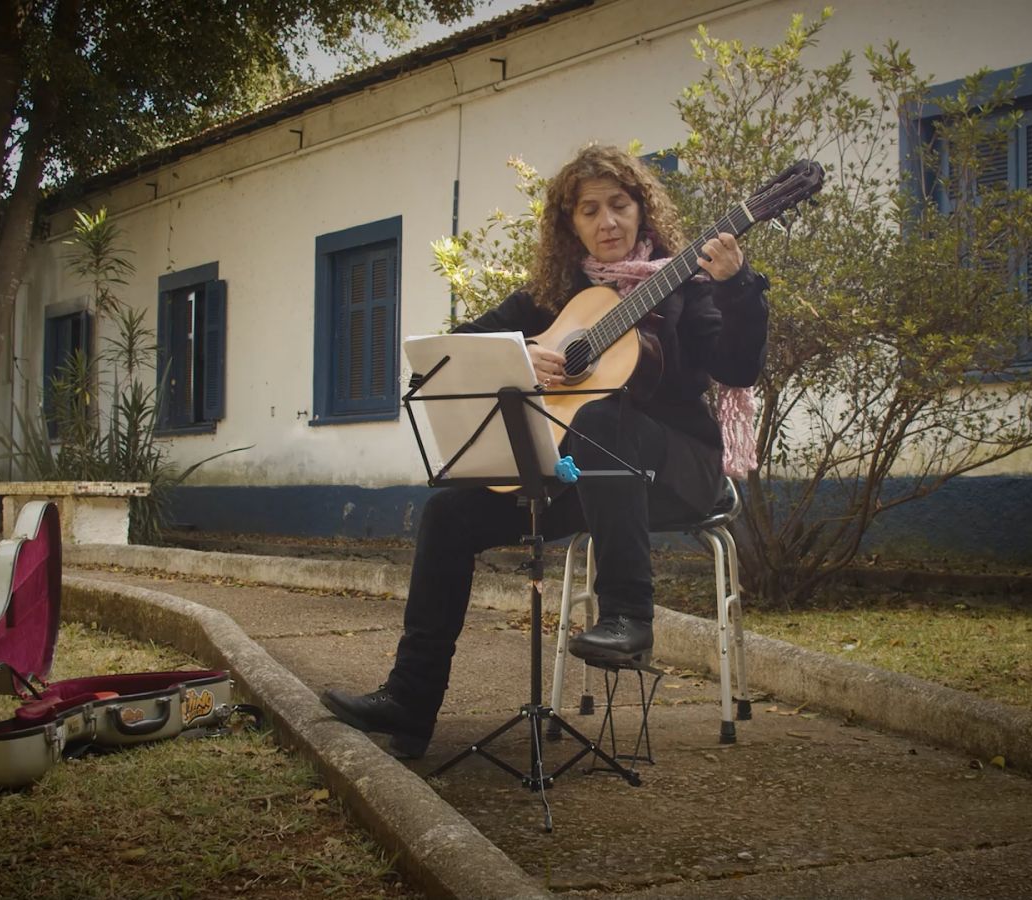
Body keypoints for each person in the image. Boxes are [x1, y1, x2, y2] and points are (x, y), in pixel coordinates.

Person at [321, 144, 769, 758]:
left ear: (642, 210)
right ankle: (410, 700)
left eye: (619, 205)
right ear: (570, 224)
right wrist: (519, 352)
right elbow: (451, 354)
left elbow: (740, 368)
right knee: (449, 516)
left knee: (602, 417)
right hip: (588, 481)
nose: (607, 221)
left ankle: (628, 618)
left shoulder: (684, 287)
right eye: (589, 210)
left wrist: (739, 286)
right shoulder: (552, 297)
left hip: (678, 472)